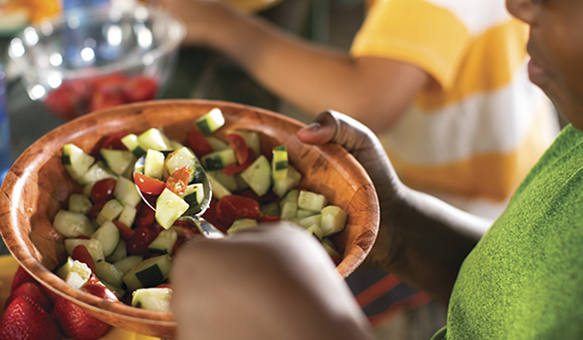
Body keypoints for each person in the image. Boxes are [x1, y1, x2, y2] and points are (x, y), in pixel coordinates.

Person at [169, 0, 583, 338]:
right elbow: (513, 278)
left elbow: (369, 96)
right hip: (453, 213)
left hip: (466, 200)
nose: (518, 6)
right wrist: (399, 227)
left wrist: (317, 330)